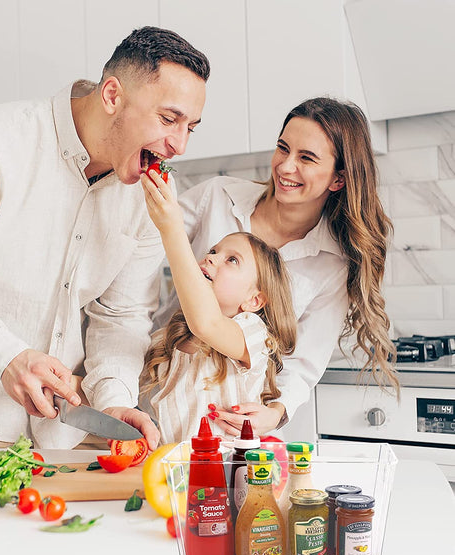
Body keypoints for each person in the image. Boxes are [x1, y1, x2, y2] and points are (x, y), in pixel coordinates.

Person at [0, 26, 210, 450]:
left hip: (72, 418)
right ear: (112, 96)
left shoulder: (150, 197)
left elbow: (121, 315)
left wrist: (113, 399)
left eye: (192, 127)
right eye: (169, 119)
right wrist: (5, 356)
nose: (180, 145)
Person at [153, 96, 399, 437]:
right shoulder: (218, 195)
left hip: (228, 432)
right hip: (157, 395)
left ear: (338, 179)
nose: (285, 166)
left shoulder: (332, 264)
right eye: (283, 149)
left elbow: (303, 365)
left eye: (306, 158)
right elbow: (139, 252)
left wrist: (274, 413)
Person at [140, 166, 297, 443]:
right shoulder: (170, 338)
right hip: (174, 475)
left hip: (230, 477)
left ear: (254, 300)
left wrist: (171, 229)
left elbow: (207, 324)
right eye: (213, 251)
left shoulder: (253, 334)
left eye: (232, 260)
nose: (211, 258)